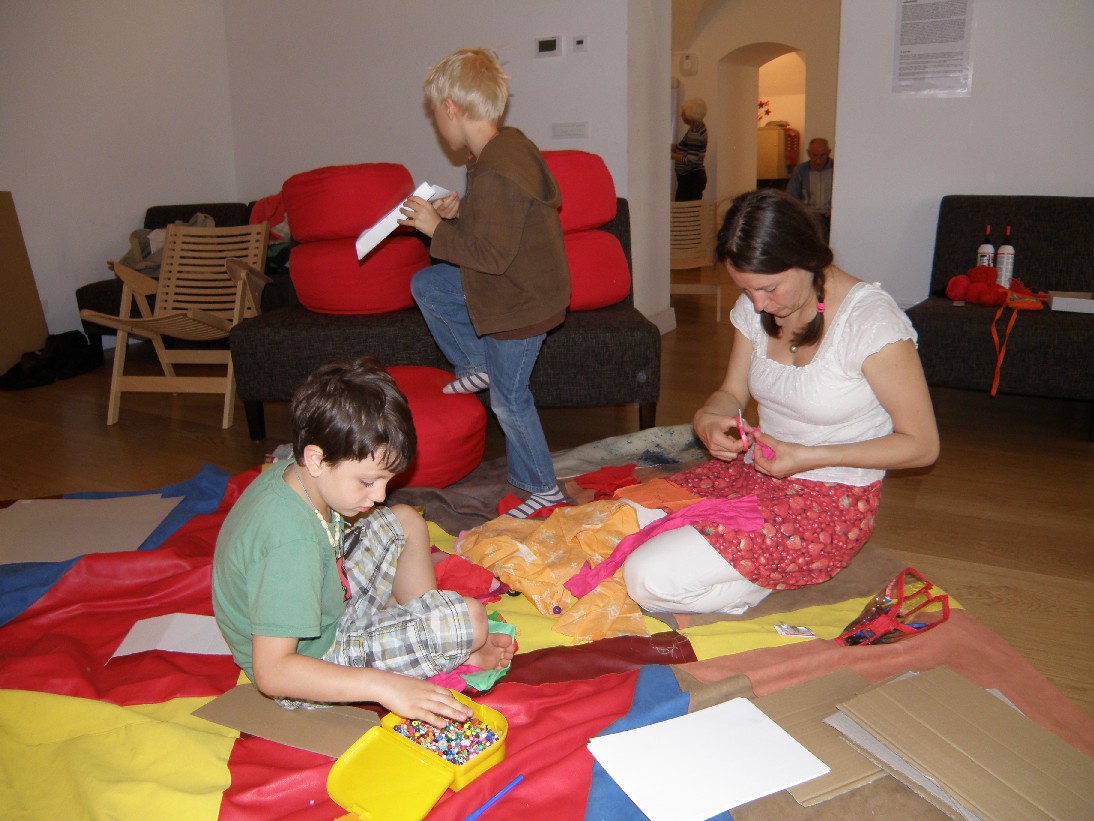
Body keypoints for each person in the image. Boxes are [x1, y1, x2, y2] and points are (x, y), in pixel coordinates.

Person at [622, 188, 939, 615]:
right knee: (620, 521)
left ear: (807, 259)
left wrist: (808, 457)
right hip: (754, 475)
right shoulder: (758, 306)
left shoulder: (871, 324)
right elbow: (731, 393)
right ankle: (741, 566)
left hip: (830, 502)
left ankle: (757, 582)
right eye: (746, 290)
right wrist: (708, 419)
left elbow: (922, 445)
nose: (758, 304)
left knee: (645, 578)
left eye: (768, 289)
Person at [212, 356, 514, 726]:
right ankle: (434, 645)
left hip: (327, 600)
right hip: (308, 666)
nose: (379, 495)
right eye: (368, 482)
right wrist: (385, 686)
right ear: (317, 459)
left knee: (406, 521)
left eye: (386, 480)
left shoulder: (301, 470)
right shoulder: (291, 545)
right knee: (472, 620)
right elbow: (273, 673)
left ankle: (424, 636)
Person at [400, 48, 571, 519]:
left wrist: (436, 228)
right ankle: (478, 363)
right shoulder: (503, 150)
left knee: (509, 400)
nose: (438, 125)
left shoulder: (496, 171)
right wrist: (461, 213)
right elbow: (499, 230)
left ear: (451, 108)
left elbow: (491, 256)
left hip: (519, 303)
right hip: (518, 286)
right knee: (431, 285)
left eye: (436, 115)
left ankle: (545, 490)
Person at [786, 137, 834, 241]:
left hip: (830, 218)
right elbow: (791, 197)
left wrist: (835, 208)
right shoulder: (800, 171)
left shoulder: (836, 169)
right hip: (808, 218)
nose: (818, 160)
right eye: (814, 155)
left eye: (822, 155)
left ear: (829, 153)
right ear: (808, 153)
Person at [671, 97, 708, 202]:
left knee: (684, 210)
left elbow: (691, 159)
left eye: (683, 113)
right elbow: (689, 148)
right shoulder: (699, 127)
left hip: (690, 179)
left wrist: (672, 155)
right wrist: (674, 147)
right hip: (693, 178)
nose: (681, 115)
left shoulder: (695, 133)